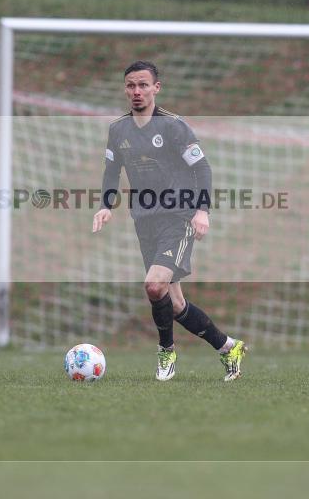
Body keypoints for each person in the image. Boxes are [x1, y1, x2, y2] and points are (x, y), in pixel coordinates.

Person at [92, 61, 247, 382]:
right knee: (174, 303)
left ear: (156, 88)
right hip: (144, 220)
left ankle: (166, 352)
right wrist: (106, 205)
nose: (137, 91)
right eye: (131, 85)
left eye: (143, 85)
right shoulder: (118, 130)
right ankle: (228, 347)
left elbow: (202, 169)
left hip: (178, 218)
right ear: (125, 89)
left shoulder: (174, 126)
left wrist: (202, 210)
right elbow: (111, 172)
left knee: (154, 285)